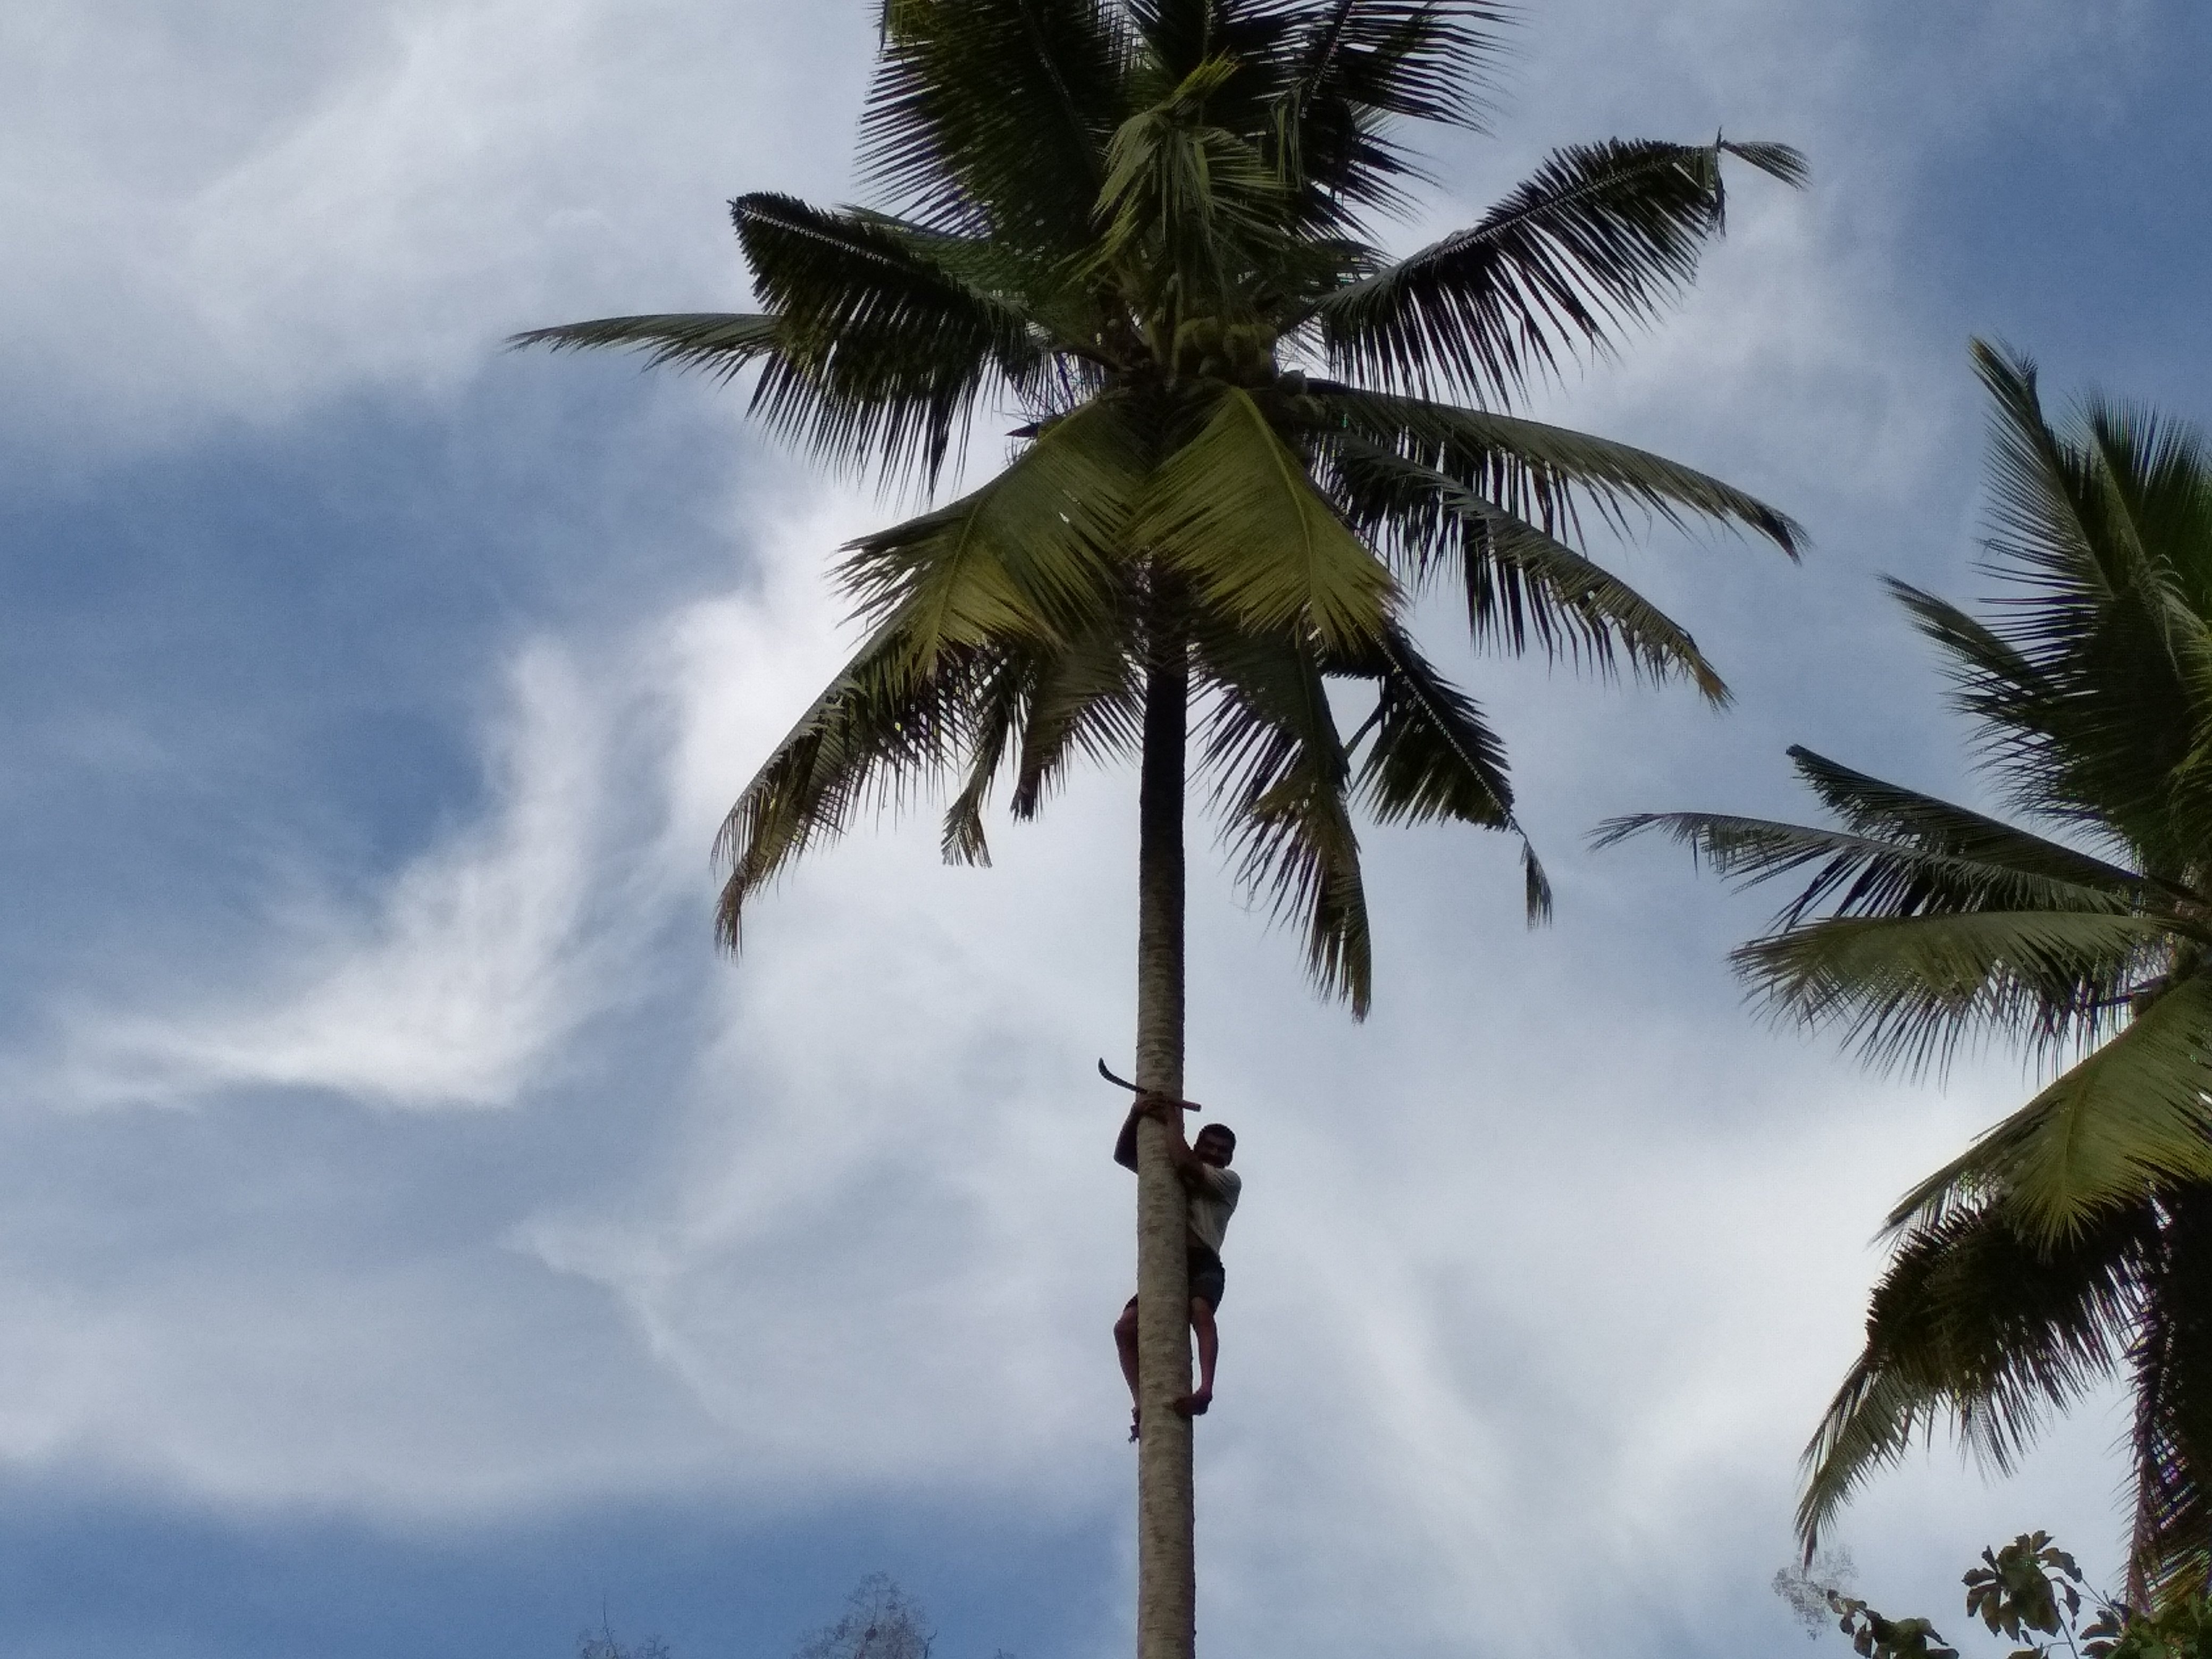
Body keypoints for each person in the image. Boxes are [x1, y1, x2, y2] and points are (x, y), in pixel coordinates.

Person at [1113, 1092, 1239, 1440]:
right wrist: (1136, 1113)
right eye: (1209, 1146)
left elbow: (1186, 1165)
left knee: (1201, 1310)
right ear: (1198, 1144)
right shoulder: (1169, 1164)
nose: (1215, 1153)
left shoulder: (1227, 1182)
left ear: (1229, 1158)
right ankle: (1142, 1404)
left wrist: (1172, 1121)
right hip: (1168, 1263)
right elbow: (1125, 1155)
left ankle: (1206, 1388)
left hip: (1203, 1262)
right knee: (1125, 1329)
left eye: (1222, 1150)